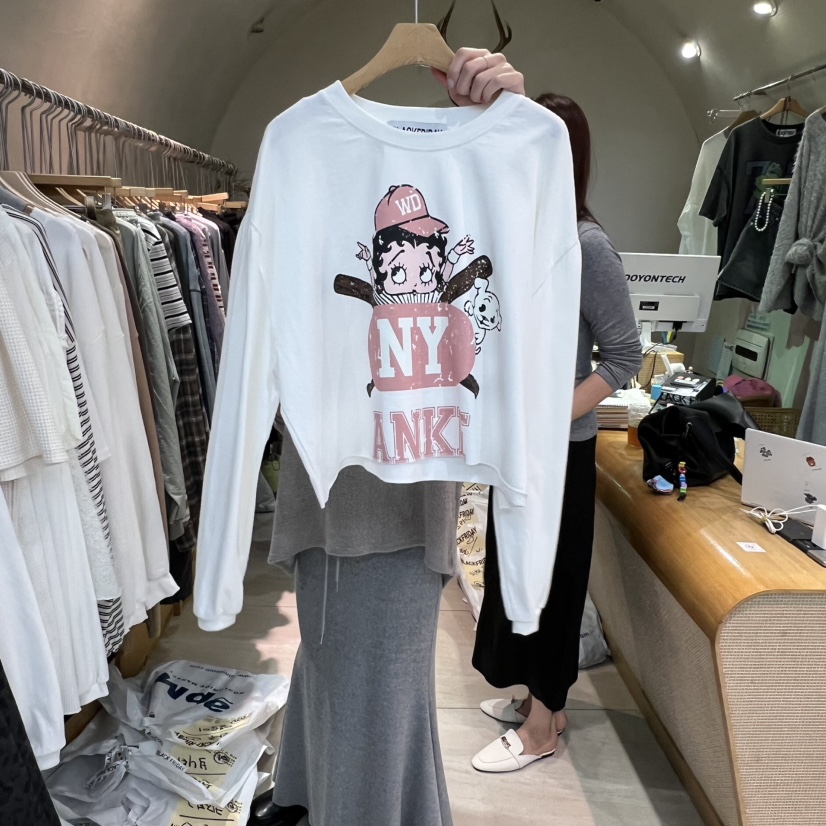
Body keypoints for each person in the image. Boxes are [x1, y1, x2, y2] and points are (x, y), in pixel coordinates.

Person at [250, 49, 528, 826]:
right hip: (336, 503)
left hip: (405, 512)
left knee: (380, 693)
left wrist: (504, 128)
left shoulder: (477, 184)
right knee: (339, 674)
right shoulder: (301, 156)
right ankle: (310, 796)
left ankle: (330, 801)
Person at [470, 93, 643, 773]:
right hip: (514, 449)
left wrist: (546, 419)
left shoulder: (587, 246)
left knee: (554, 579)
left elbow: (623, 357)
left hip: (558, 451)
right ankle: (537, 700)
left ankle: (543, 727)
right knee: (514, 572)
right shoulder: (521, 236)